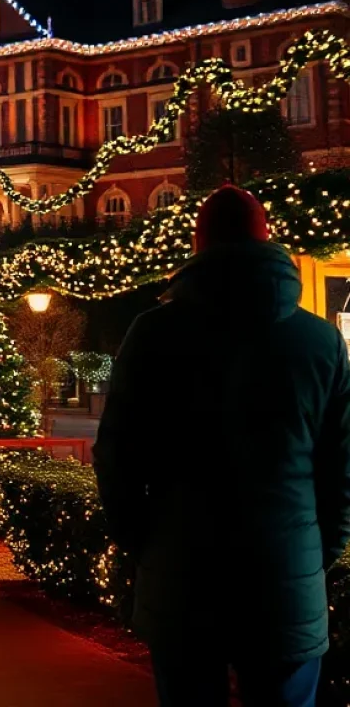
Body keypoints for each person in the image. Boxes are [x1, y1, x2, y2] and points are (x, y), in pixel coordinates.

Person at [93, 184, 350, 707]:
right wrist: (315, 553)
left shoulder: (153, 335)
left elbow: (116, 456)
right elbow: (340, 469)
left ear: (197, 245)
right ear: (270, 241)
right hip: (286, 575)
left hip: (181, 576)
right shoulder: (321, 342)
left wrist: (142, 544)